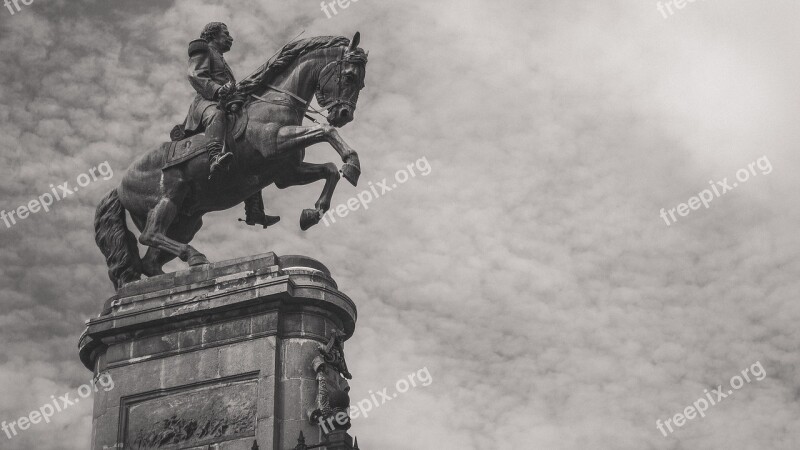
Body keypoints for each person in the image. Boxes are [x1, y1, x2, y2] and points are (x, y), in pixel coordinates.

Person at [184, 22, 279, 227]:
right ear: (213, 36)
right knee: (216, 115)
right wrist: (218, 90)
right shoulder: (202, 49)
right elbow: (195, 75)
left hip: (225, 104)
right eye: (226, 34)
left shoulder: (222, 59)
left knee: (249, 143)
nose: (230, 37)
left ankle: (254, 210)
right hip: (206, 103)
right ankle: (215, 157)